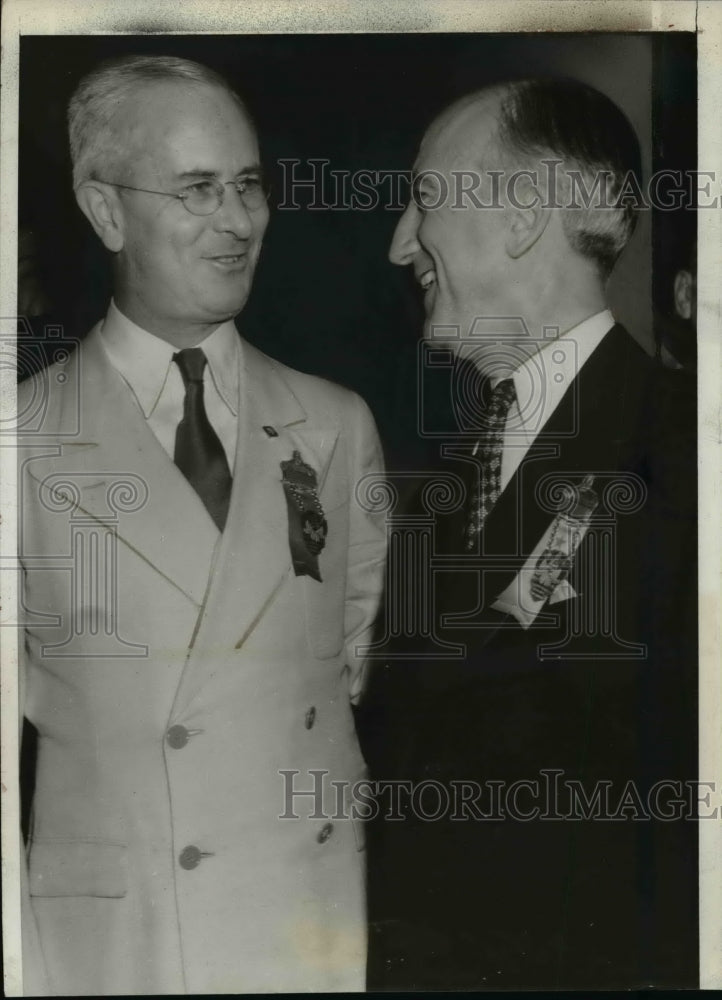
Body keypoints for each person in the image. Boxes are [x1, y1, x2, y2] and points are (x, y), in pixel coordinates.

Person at [18, 55, 386, 995]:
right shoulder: (20, 441)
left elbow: (342, 663)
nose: (237, 221)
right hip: (123, 940)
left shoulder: (337, 423)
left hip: (301, 931)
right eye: (196, 190)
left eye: (249, 186)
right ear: (105, 211)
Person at [364, 78, 697, 989]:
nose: (401, 243)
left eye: (424, 198)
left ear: (520, 217)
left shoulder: (685, 451)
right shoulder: (456, 462)